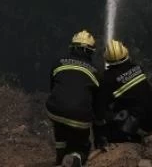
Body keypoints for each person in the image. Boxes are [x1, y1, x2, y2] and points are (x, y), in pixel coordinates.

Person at [46, 30, 107, 167]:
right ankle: (75, 157)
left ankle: (60, 157)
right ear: (90, 51)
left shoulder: (58, 62)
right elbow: (98, 109)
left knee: (60, 130)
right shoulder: (96, 72)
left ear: (72, 47)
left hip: (55, 110)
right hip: (79, 116)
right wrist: (100, 136)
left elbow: (53, 87)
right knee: (81, 145)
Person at [99, 40, 152, 145]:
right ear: (126, 54)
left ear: (107, 59)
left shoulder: (108, 79)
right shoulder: (136, 68)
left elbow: (101, 107)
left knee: (109, 118)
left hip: (140, 125)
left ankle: (131, 138)